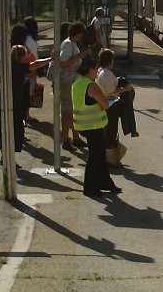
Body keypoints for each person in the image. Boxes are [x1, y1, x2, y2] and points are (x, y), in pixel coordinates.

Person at [0, 45, 52, 166]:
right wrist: (50, 59)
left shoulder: (7, 65)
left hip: (3, 102)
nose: (27, 57)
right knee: (13, 130)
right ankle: (9, 160)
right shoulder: (18, 66)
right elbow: (35, 65)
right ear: (19, 56)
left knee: (4, 128)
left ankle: (5, 158)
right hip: (12, 103)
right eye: (25, 55)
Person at [71, 56, 121, 197]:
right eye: (96, 69)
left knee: (99, 155)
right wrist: (110, 99)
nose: (98, 71)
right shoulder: (91, 85)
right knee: (95, 157)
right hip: (93, 125)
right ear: (90, 69)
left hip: (82, 125)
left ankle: (106, 183)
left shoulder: (77, 82)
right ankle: (90, 188)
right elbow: (104, 104)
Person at [95, 48, 133, 167]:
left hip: (103, 103)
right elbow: (114, 92)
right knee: (111, 133)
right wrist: (125, 89)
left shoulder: (99, 71)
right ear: (110, 61)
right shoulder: (107, 74)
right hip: (111, 105)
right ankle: (109, 160)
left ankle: (105, 158)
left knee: (105, 132)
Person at [59, 22, 89, 151]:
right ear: (78, 34)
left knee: (73, 111)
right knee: (67, 111)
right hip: (66, 82)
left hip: (72, 82)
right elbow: (63, 63)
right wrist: (80, 56)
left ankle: (75, 137)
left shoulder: (72, 44)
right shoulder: (67, 44)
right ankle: (66, 139)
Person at [23, 16, 41, 124]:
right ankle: (26, 115)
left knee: (26, 92)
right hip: (30, 68)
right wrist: (35, 70)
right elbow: (33, 56)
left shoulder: (24, 38)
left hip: (25, 68)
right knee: (28, 93)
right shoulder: (31, 40)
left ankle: (26, 115)